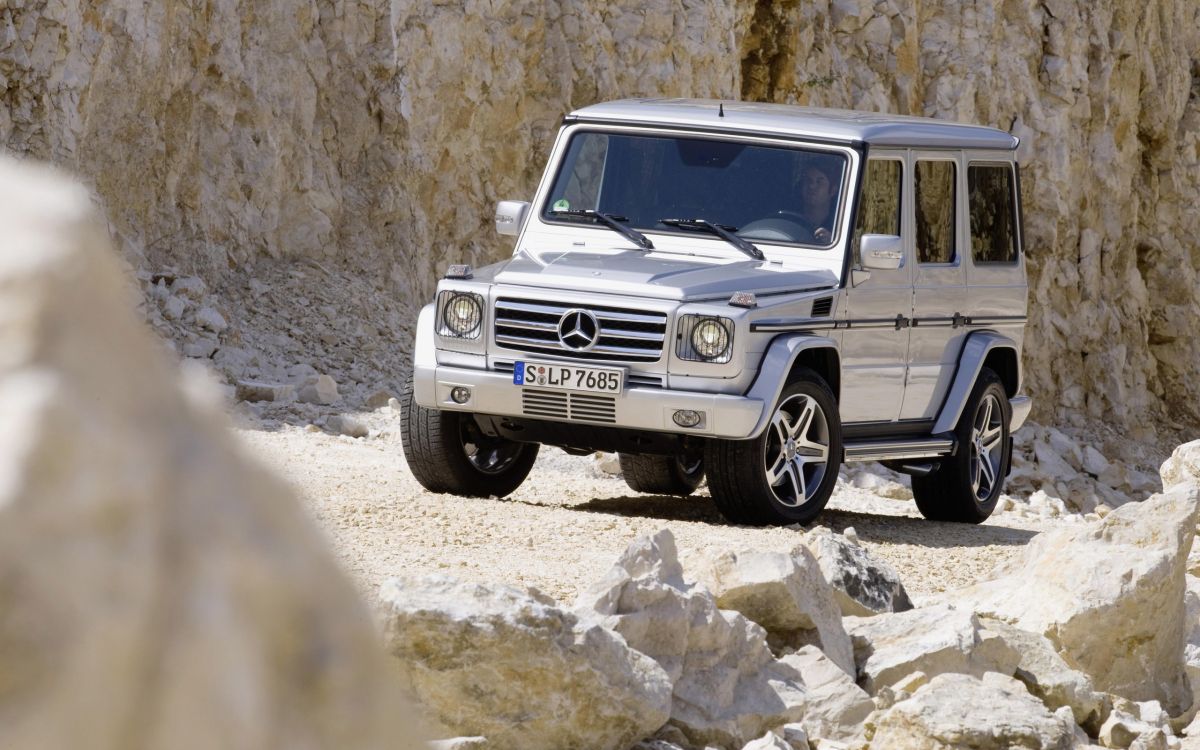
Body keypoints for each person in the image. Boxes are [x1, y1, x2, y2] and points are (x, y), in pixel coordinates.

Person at [793, 161, 841, 243]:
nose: (811, 186)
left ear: (833, 190)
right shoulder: (790, 219)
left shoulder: (840, 226)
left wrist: (831, 241)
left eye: (819, 182)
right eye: (808, 180)